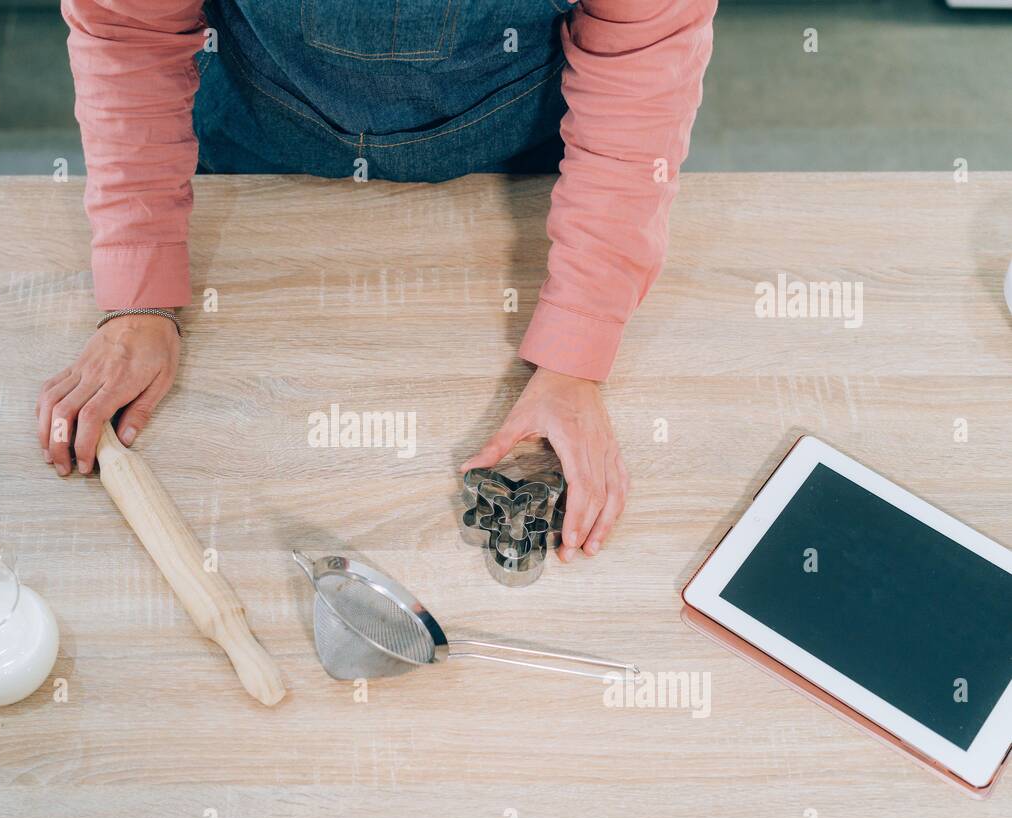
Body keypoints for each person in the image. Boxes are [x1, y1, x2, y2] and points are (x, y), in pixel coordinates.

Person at [39, 0, 716, 561]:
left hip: (511, 161)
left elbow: (641, 56)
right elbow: (129, 29)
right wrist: (140, 291)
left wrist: (576, 346)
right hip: (261, 149)